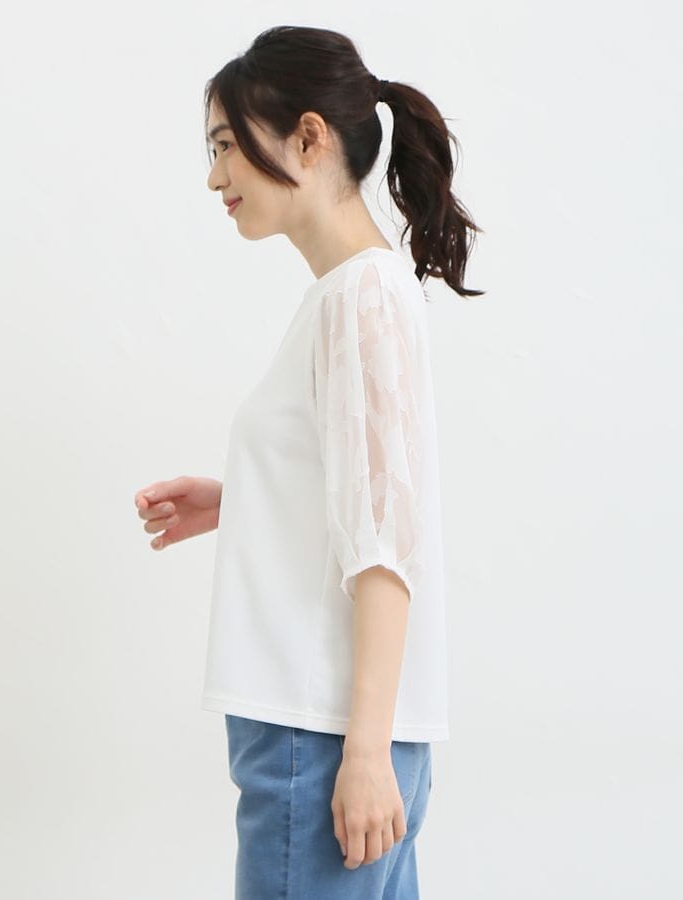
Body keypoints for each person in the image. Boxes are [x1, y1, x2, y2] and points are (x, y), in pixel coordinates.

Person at [133, 24, 483, 900]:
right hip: (334, 733)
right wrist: (244, 497)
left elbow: (384, 547)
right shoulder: (356, 293)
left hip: (319, 737)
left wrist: (362, 753)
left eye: (225, 145)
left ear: (309, 136)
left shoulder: (360, 296)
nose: (214, 176)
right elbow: (362, 498)